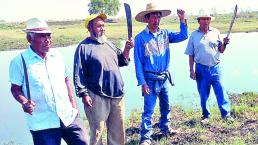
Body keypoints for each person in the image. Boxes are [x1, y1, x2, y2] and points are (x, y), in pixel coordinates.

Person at [9, 18, 88, 145]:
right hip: (42, 123)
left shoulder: (57, 56)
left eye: (49, 35)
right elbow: (15, 89)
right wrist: (24, 102)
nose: (47, 40)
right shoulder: (19, 61)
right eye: (42, 36)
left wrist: (74, 106)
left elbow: (66, 80)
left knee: (83, 142)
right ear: (29, 39)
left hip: (68, 116)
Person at [73, 13, 134, 145]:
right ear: (90, 28)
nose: (103, 28)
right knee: (97, 132)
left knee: (118, 132)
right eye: (99, 26)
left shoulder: (109, 44)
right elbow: (78, 73)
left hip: (117, 95)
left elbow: (122, 61)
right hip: (96, 96)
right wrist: (84, 94)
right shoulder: (83, 48)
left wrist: (127, 49)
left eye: (103, 26)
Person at [134, 3, 188, 145]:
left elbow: (183, 35)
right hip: (150, 79)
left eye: (158, 17)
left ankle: (166, 128)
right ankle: (146, 138)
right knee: (149, 110)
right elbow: (138, 62)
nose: (156, 20)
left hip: (164, 77)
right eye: (153, 17)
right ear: (147, 19)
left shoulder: (165, 34)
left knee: (166, 105)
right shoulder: (140, 38)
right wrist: (142, 82)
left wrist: (182, 20)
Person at [184, 12, 232, 123]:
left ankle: (226, 115)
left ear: (210, 20)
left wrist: (225, 44)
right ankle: (206, 116)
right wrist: (191, 70)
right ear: (199, 21)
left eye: (207, 19)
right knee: (203, 93)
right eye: (203, 19)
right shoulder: (194, 35)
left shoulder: (216, 32)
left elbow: (221, 50)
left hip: (216, 68)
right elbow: (190, 54)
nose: (205, 21)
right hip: (201, 69)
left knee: (221, 91)